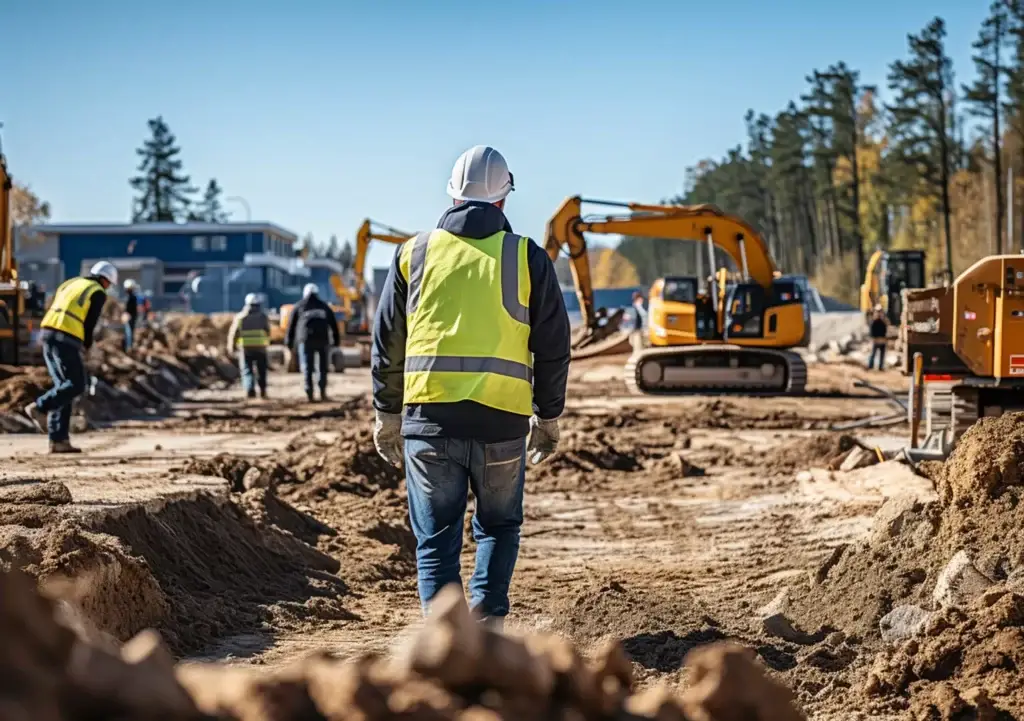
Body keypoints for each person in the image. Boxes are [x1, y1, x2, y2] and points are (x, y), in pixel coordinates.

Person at [371, 145, 571, 627]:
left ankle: (446, 644)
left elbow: (387, 343)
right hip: (501, 424)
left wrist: (387, 414)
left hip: (428, 424)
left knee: (435, 537)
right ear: (503, 200)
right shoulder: (526, 257)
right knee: (499, 527)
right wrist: (549, 416)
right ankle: (486, 630)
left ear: (453, 198)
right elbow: (553, 346)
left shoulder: (413, 254)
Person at [23, 261, 117, 453]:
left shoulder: (71, 283)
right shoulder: (97, 291)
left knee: (64, 387)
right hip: (67, 337)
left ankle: (58, 440)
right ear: (106, 280)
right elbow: (90, 322)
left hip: (48, 333)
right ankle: (39, 407)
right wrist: (88, 345)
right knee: (76, 384)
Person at [285, 282, 341, 402]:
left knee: (307, 367)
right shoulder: (324, 306)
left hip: (305, 341)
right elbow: (334, 325)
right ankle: (322, 392)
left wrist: (289, 343)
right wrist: (336, 342)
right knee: (323, 367)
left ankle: (309, 393)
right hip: (323, 340)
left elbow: (291, 326)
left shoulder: (299, 306)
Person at [227, 293, 271, 399]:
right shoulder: (263, 316)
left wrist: (231, 347)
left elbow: (234, 333)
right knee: (262, 370)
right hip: (261, 347)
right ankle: (263, 390)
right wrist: (266, 341)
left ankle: (250, 390)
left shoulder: (241, 317)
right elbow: (268, 331)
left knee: (247, 370)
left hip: (246, 348)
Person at [868, 306, 888, 370]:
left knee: (882, 355)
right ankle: (870, 366)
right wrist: (875, 339)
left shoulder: (883, 322)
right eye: (878, 312)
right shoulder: (874, 322)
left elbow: (885, 331)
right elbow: (872, 332)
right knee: (873, 354)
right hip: (876, 340)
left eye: (880, 312)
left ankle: (880, 367)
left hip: (882, 340)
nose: (879, 313)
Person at [122, 279, 139, 352]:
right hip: (131, 317)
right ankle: (128, 346)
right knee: (129, 332)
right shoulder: (131, 297)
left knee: (129, 332)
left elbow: (130, 309)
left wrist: (127, 315)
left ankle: (128, 347)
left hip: (130, 317)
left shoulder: (131, 297)